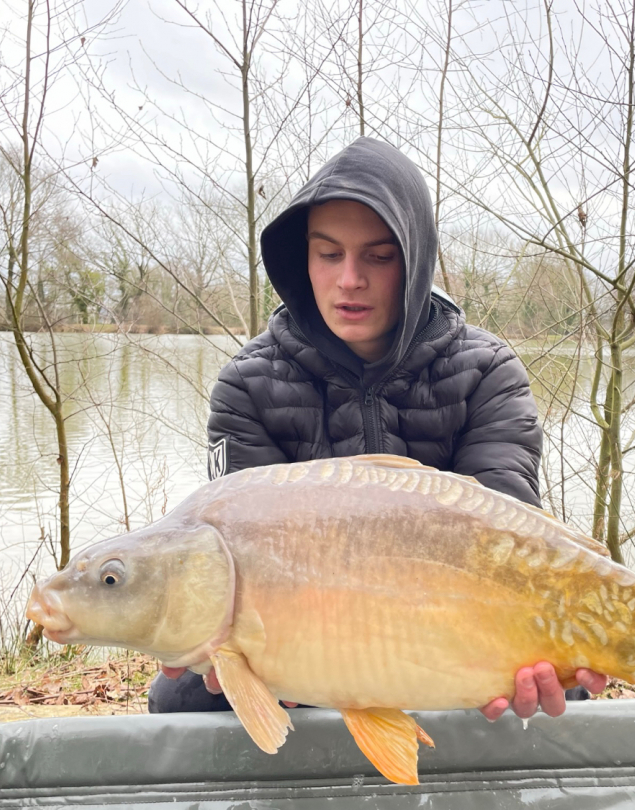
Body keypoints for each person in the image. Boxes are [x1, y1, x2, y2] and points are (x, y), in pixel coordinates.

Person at [149, 137, 607, 719]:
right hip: (301, 629)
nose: (349, 279)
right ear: (302, 260)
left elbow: (506, 541)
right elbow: (242, 547)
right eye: (328, 254)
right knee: (185, 692)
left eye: (379, 257)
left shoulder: (488, 371)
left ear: (414, 262)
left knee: (556, 682)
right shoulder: (247, 384)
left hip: (451, 619)